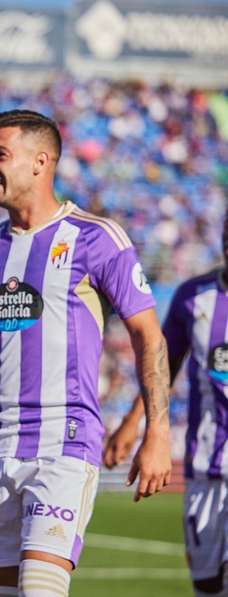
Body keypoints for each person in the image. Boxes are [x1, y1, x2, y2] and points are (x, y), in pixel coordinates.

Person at [0, 110, 172, 597]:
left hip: (63, 444)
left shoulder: (95, 238)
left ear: (41, 162)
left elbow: (148, 334)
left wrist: (157, 432)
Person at [104, 216, 228, 597]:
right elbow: (164, 365)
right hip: (206, 464)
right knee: (207, 586)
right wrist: (132, 423)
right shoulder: (195, 296)